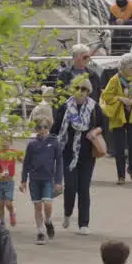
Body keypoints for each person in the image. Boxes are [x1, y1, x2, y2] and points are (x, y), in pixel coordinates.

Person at [53, 75, 106, 235]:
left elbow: (103, 125)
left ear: (88, 91)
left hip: (87, 154)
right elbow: (55, 130)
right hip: (68, 153)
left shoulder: (94, 107)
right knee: (70, 187)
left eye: (84, 89)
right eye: (77, 88)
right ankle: (68, 213)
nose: (81, 92)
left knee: (84, 188)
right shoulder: (65, 107)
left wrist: (95, 131)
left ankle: (84, 223)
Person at [100, 54, 132, 185]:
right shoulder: (115, 80)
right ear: (123, 68)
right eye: (130, 67)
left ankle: (131, 168)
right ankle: (120, 175)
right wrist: (120, 99)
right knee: (119, 147)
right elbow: (107, 96)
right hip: (118, 117)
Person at [21, 117, 64, 245]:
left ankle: (48, 221)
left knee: (47, 203)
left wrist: (58, 181)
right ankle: (40, 232)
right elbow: (26, 163)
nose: (43, 130)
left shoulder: (55, 143)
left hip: (48, 178)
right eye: (39, 127)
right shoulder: (32, 144)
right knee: (38, 206)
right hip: (34, 179)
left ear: (49, 128)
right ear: (36, 130)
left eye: (45, 127)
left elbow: (60, 163)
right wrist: (23, 180)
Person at [0, 134, 21, 227]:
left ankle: (12, 212)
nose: (4, 143)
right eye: (2, 141)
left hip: (8, 182)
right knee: (0, 204)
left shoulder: (13, 152)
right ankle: (2, 222)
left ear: (10, 142)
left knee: (8, 203)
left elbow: (24, 160)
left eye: (7, 141)